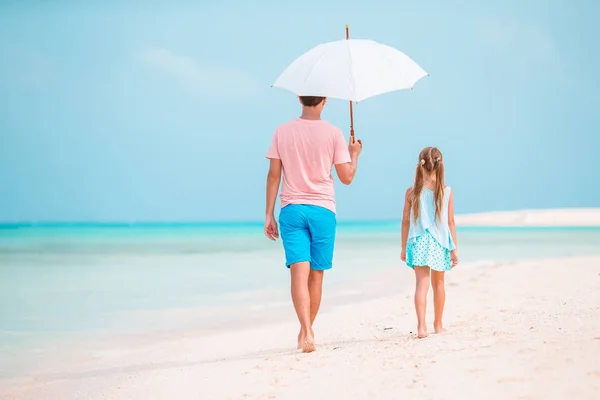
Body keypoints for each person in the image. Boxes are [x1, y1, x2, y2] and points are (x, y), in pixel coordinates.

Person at [264, 96, 363, 353]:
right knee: (316, 275)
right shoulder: (334, 133)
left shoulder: (282, 131)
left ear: (299, 98)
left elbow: (274, 175)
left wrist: (268, 214)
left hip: (292, 210)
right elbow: (347, 178)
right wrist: (354, 155)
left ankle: (305, 328)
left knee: (298, 272)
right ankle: (308, 330)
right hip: (323, 210)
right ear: (324, 101)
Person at [400, 147, 459, 339]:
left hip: (418, 242)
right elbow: (450, 222)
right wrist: (454, 248)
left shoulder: (411, 192)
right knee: (439, 284)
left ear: (421, 164)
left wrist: (403, 247)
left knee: (421, 286)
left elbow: (405, 221)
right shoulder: (446, 191)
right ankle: (438, 324)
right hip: (440, 242)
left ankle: (421, 327)